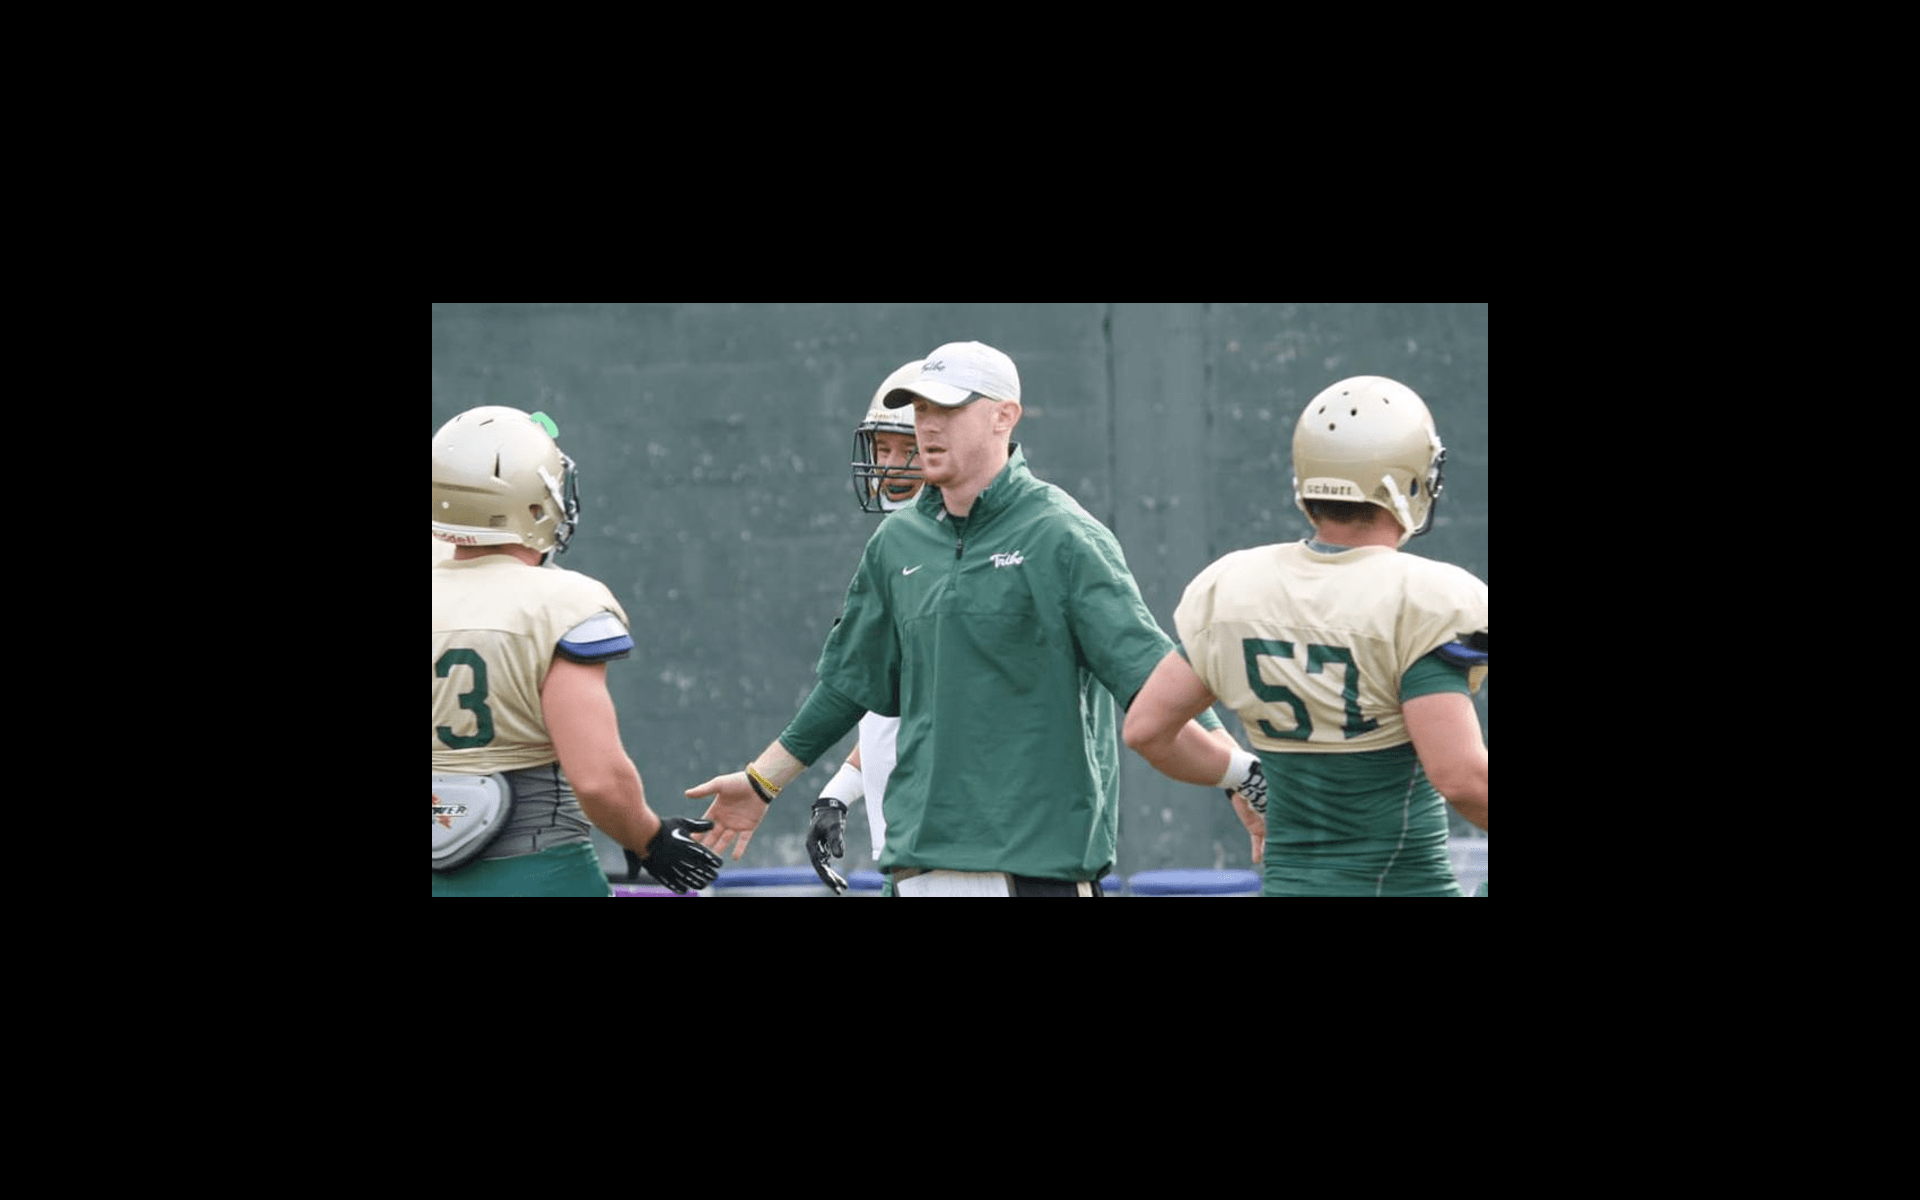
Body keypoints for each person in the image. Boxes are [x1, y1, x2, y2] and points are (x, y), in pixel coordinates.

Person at [689, 341, 1264, 897]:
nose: (928, 426)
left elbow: (1152, 673)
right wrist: (762, 782)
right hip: (916, 872)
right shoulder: (895, 543)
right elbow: (847, 684)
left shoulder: (1063, 537)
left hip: (1035, 872)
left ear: (1003, 417)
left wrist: (1237, 775)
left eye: (947, 409)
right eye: (920, 410)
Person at [1123, 375, 1488, 897]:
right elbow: (1462, 778)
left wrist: (1244, 776)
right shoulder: (1422, 600)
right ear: (1412, 479)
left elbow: (1146, 730)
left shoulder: (1237, 589)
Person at [433, 405, 723, 897]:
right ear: (532, 504)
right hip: (537, 871)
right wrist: (649, 838)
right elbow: (598, 781)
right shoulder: (560, 604)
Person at [804, 360, 925, 897]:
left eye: (908, 448)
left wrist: (764, 780)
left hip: (942, 850)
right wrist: (839, 791)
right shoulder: (896, 551)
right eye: (882, 448)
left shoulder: (949, 565)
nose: (890, 465)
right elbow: (887, 705)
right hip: (902, 857)